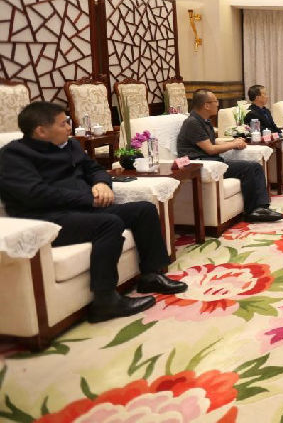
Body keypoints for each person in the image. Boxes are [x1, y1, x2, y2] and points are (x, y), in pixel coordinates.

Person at [0, 102, 187, 322]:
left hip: (84, 208)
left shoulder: (70, 145)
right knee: (109, 223)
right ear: (41, 130)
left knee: (143, 210)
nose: (69, 127)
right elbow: (36, 194)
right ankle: (105, 301)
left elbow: (95, 169)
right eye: (63, 124)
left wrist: (101, 184)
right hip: (47, 219)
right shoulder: (13, 156)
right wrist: (90, 199)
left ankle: (151, 275)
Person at [177, 89, 283, 222]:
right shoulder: (193, 122)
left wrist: (233, 142)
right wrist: (233, 144)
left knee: (253, 167)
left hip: (213, 161)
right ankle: (254, 210)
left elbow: (212, 142)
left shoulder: (204, 120)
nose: (218, 104)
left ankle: (260, 208)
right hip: (201, 165)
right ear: (206, 105)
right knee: (251, 168)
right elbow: (210, 149)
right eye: (216, 101)